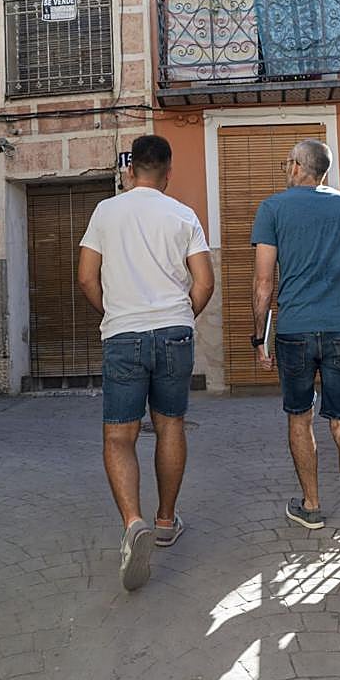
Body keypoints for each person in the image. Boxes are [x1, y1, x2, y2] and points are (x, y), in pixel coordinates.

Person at [78, 134, 215, 591]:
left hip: (123, 334)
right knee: (170, 425)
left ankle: (133, 522)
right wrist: (182, 317)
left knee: (120, 436)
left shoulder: (105, 211)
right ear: (168, 173)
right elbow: (204, 282)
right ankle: (165, 521)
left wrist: (114, 313)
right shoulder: (183, 215)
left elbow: (86, 277)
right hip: (174, 332)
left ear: (130, 169)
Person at [250, 138, 340, 572]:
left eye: (287, 163)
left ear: (297, 168)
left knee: (300, 418)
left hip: (295, 332)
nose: (285, 169)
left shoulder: (273, 209)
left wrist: (259, 337)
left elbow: (263, 284)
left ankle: (312, 505)